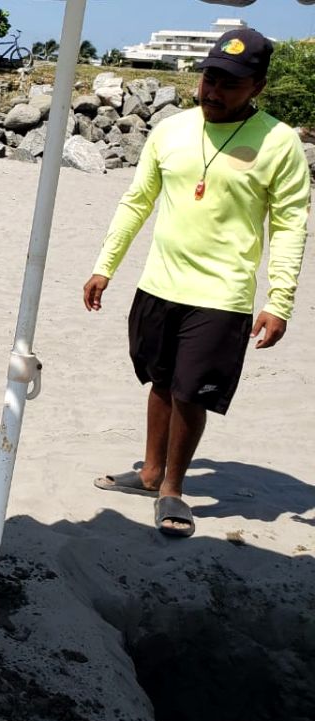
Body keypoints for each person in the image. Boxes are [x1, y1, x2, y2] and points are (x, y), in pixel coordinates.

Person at [83, 27, 309, 539]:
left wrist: (279, 301)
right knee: (161, 382)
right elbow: (137, 201)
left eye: (229, 83)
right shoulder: (171, 131)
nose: (213, 90)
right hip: (159, 283)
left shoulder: (279, 143)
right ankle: (149, 472)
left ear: (258, 86)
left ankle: (173, 491)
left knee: (192, 393)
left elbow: (291, 224)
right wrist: (105, 266)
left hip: (221, 294)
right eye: (210, 77)